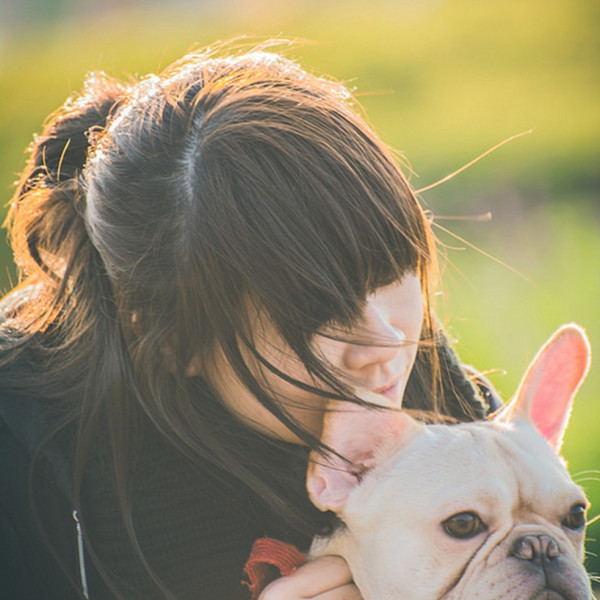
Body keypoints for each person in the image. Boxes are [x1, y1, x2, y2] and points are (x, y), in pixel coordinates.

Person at [0, 42, 501, 599]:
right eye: (315, 311)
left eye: (392, 269)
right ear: (171, 339)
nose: (386, 341)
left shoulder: (457, 428)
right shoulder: (23, 457)